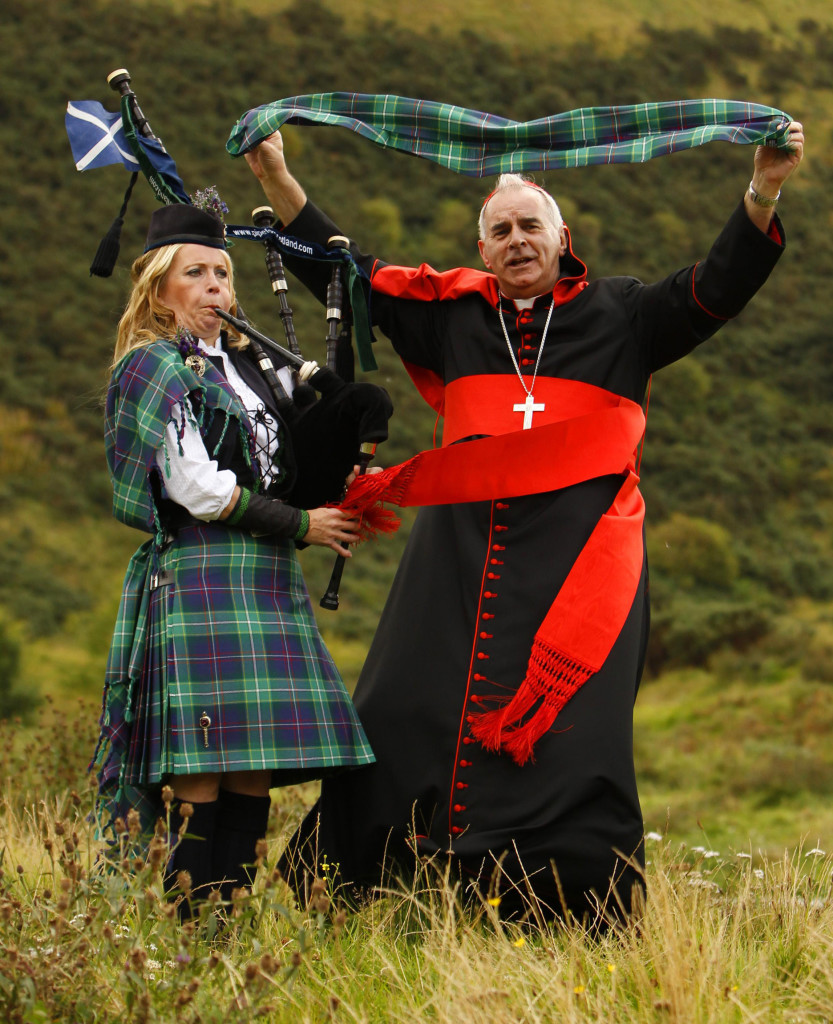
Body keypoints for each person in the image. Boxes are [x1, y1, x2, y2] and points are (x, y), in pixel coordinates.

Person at [244, 121, 804, 924]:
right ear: (482, 247)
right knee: (402, 708)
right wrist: (275, 177)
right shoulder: (449, 313)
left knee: (575, 737)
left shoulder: (625, 312)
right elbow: (345, 272)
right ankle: (364, 893)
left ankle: (562, 912)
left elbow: (716, 286)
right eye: (498, 230)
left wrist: (762, 188)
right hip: (455, 556)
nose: (515, 241)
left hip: (582, 561)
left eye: (528, 226)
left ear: (561, 237)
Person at [92, 201, 377, 915]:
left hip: (265, 578)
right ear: (161, 290)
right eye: (197, 273)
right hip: (202, 575)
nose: (217, 285)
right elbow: (198, 488)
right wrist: (300, 523)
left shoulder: (246, 368)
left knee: (251, 772)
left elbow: (282, 469)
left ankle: (224, 929)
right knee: (204, 773)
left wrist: (344, 427)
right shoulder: (151, 367)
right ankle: (189, 934)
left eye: (223, 271)